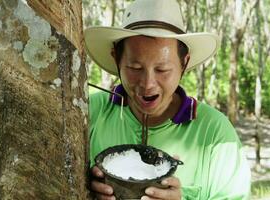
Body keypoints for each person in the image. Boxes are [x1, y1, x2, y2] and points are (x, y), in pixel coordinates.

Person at [84, 0, 251, 199]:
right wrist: (85, 189)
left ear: (184, 62)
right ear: (116, 59)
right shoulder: (89, 111)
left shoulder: (215, 133)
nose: (148, 84)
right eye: (135, 68)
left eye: (162, 70)